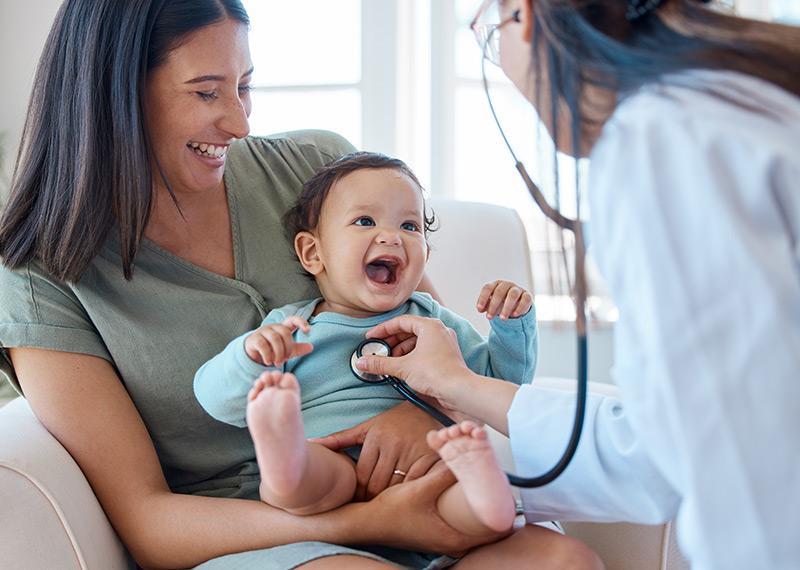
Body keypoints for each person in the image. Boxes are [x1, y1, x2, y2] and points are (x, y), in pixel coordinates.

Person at [0, 1, 604, 568]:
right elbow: (148, 520)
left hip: (418, 490)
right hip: (260, 534)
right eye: (207, 91)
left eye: (245, 86)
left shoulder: (318, 168)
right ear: (115, 96)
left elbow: (431, 344)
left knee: (563, 562)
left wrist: (420, 420)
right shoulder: (39, 276)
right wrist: (368, 523)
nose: (238, 122)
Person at [348, 0, 800, 569]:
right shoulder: (745, 96)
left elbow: (723, 461)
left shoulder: (666, 142)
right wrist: (457, 387)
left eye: (491, 33)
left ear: (525, 15)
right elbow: (676, 440)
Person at [194, 152, 535, 536]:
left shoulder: (434, 322)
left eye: (410, 225)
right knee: (302, 483)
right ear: (313, 253)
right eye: (365, 221)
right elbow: (215, 399)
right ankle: (284, 452)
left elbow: (499, 386)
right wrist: (251, 357)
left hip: (428, 466)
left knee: (470, 511)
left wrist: (510, 326)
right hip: (331, 458)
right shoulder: (293, 328)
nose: (392, 235)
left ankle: (485, 489)